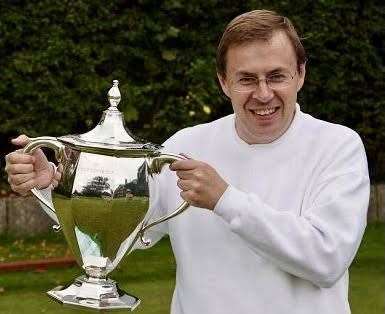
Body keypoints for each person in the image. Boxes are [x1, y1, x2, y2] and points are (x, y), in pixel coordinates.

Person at [5, 9, 370, 314]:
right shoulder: (187, 144)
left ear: (300, 75)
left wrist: (224, 199)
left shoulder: (337, 147)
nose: (263, 93)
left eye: (276, 76)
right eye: (246, 79)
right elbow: (127, 233)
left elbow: (326, 260)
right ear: (223, 82)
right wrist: (54, 184)